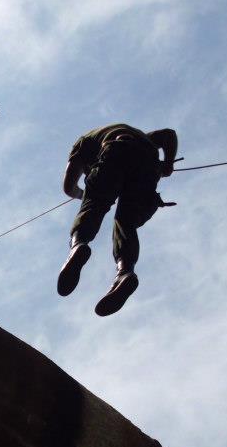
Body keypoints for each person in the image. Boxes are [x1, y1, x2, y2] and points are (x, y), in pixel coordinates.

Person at [57, 123, 178, 316]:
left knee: (94, 205)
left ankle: (78, 246)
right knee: (126, 222)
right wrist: (168, 164)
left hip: (115, 151)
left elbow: (68, 187)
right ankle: (125, 272)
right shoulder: (140, 136)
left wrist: (84, 194)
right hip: (148, 165)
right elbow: (168, 135)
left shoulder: (83, 142)